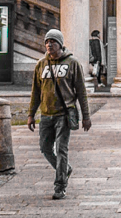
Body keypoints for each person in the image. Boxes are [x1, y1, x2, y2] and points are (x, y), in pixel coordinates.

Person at [28, 28, 92, 199]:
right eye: (47, 42)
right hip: (46, 115)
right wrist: (30, 114)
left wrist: (86, 116)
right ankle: (65, 168)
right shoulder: (41, 65)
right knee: (45, 148)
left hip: (64, 114)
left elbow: (81, 92)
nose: (49, 45)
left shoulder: (72, 63)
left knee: (61, 149)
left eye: (53, 42)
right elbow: (36, 91)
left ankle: (60, 185)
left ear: (60, 44)